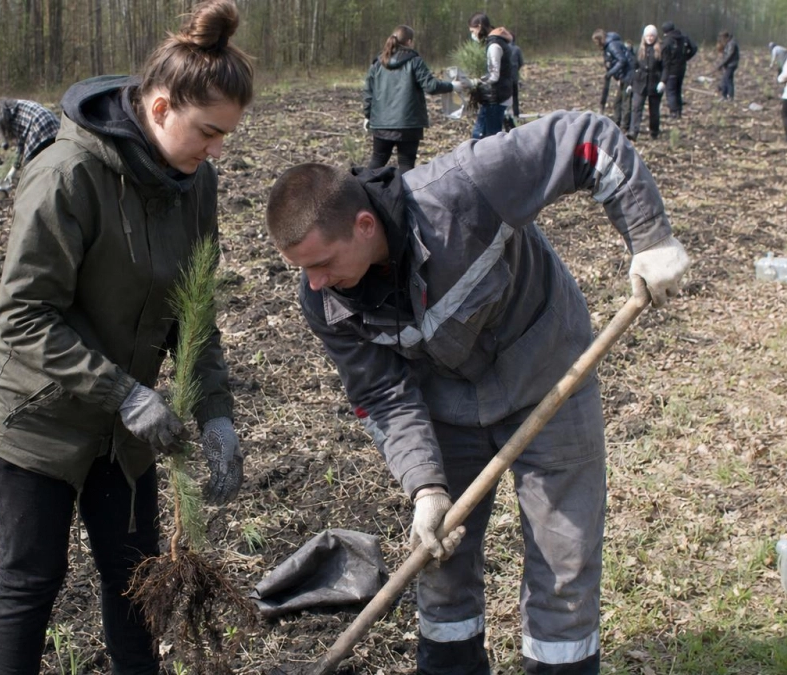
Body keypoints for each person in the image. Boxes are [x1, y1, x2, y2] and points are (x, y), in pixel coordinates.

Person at [265, 111, 690, 674]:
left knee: (564, 559)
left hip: (548, 376)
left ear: (365, 225)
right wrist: (425, 487)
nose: (314, 283)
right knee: (440, 559)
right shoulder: (324, 300)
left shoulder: (464, 190)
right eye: (303, 270)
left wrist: (651, 238)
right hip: (448, 402)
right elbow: (383, 395)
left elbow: (586, 141)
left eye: (321, 263)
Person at [0, 1, 250, 673]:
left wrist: (216, 410)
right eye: (207, 132)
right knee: (32, 577)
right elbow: (24, 315)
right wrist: (123, 392)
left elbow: (194, 310)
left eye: (224, 137)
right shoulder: (69, 175)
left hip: (122, 431)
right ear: (157, 109)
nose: (215, 151)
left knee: (136, 579)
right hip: (33, 416)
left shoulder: (193, 182)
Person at [362, 25, 459, 173]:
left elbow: (368, 92)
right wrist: (452, 86)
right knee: (406, 165)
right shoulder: (415, 61)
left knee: (377, 161)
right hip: (409, 124)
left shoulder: (378, 63)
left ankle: (365, 191)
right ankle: (404, 195)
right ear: (409, 42)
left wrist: (368, 115)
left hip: (381, 123)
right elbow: (431, 86)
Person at [468, 13, 514, 140]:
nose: (473, 35)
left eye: (472, 31)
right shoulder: (495, 42)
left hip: (495, 98)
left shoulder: (494, 46)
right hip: (495, 96)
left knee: (488, 138)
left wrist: (474, 82)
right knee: (482, 136)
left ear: (479, 27)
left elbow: (494, 76)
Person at [0, 97, 60, 174]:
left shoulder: (9, 116)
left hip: (40, 124)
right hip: (56, 125)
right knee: (53, 161)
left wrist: (14, 169)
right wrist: (15, 167)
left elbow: (21, 145)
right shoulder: (16, 105)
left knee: (30, 166)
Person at [593, 29, 635, 129]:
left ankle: (624, 127)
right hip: (623, 76)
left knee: (625, 102)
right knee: (617, 102)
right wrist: (617, 77)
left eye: (596, 41)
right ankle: (617, 123)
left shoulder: (612, 45)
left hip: (628, 75)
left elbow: (622, 60)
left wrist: (611, 73)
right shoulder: (608, 46)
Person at [629, 25, 665, 141]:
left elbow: (666, 67)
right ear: (644, 37)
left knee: (654, 110)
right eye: (648, 36)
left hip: (655, 83)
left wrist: (663, 81)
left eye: (652, 36)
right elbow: (633, 67)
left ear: (655, 36)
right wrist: (631, 83)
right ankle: (633, 132)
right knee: (636, 108)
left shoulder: (661, 50)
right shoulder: (638, 49)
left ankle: (654, 132)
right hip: (639, 83)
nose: (650, 38)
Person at [660, 21, 698, 119]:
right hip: (682, 68)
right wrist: (686, 57)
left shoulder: (667, 41)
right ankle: (679, 111)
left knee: (671, 91)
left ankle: (673, 112)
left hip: (671, 69)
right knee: (677, 90)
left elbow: (664, 58)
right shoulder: (683, 37)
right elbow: (694, 48)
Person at [504, 35, 525, 131]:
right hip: (514, 77)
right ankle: (516, 114)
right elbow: (521, 63)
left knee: (505, 98)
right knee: (515, 97)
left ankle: (505, 115)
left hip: (505, 78)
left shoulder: (503, 48)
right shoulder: (517, 49)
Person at [713, 30, 740, 101]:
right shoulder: (728, 43)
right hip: (729, 64)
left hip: (732, 64)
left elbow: (729, 56)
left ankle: (730, 96)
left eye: (722, 38)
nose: (721, 40)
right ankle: (724, 96)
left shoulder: (732, 43)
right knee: (726, 79)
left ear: (725, 37)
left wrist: (721, 64)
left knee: (727, 79)